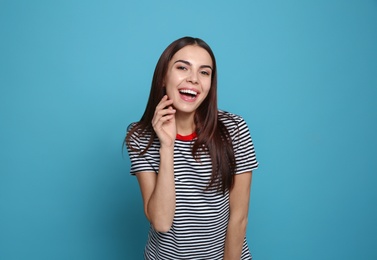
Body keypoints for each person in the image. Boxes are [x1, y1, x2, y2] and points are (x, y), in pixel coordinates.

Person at [125, 36, 258, 260]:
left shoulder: (234, 129)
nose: (194, 79)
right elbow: (161, 221)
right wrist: (167, 147)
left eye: (204, 72)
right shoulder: (140, 136)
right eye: (182, 68)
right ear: (163, 78)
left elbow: (239, 218)